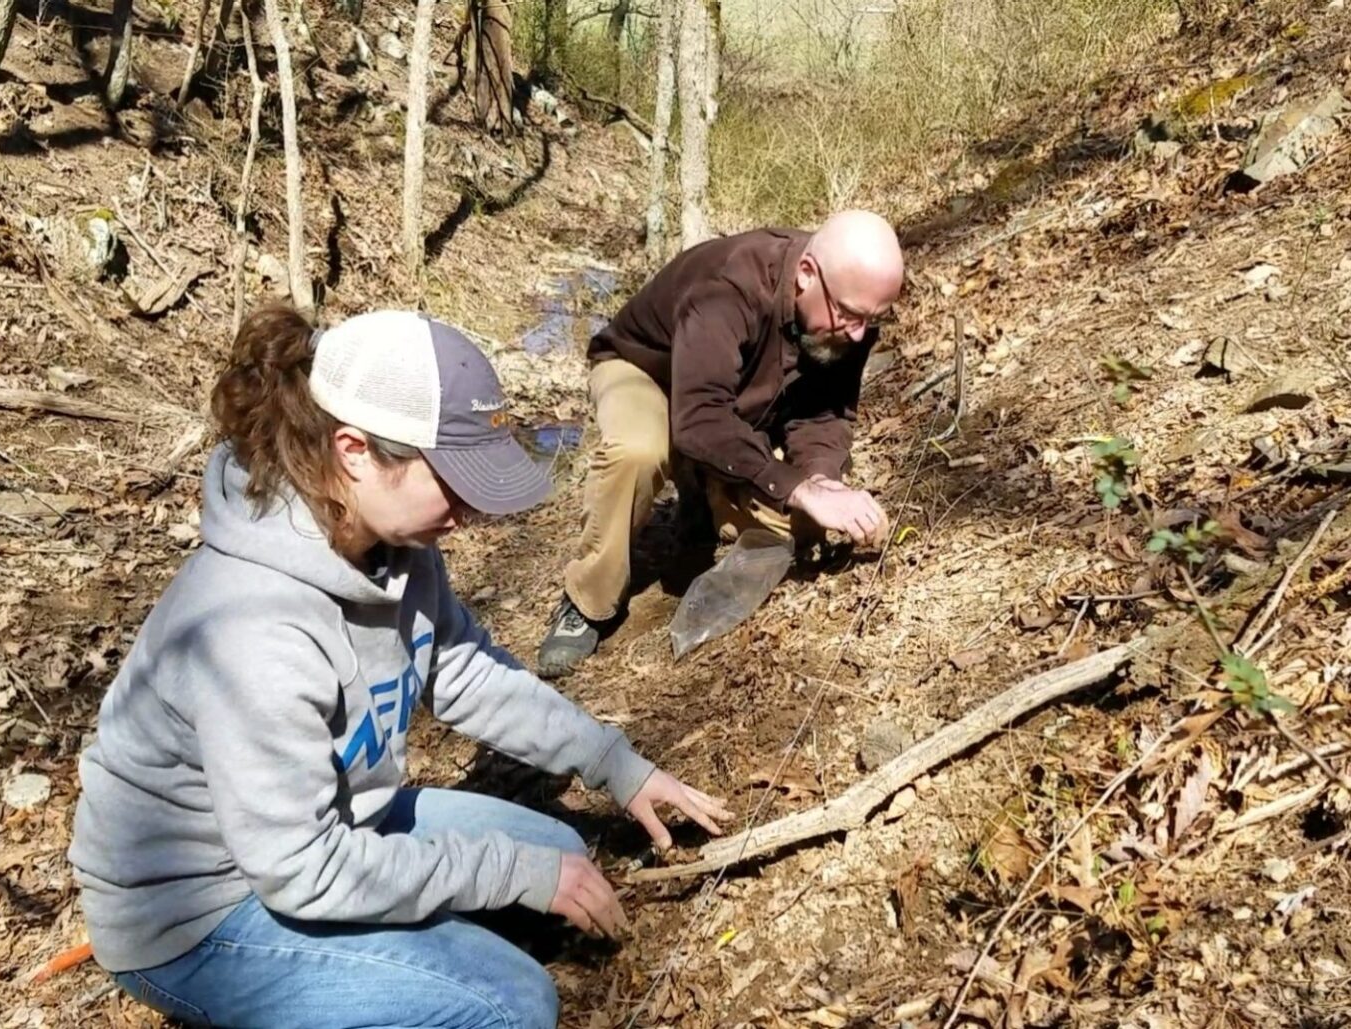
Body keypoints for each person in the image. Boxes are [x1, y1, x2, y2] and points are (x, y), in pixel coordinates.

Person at [68, 306, 731, 1029]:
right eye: (453, 479)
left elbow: (467, 673)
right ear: (354, 452)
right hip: (202, 912)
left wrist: (614, 763)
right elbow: (301, 868)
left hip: (340, 826)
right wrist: (514, 875)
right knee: (508, 1003)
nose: (471, 509)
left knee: (561, 849)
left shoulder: (395, 549)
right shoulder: (253, 626)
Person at [537, 209, 906, 677]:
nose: (858, 334)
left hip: (735, 393)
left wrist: (820, 478)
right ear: (807, 275)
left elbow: (824, 412)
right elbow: (698, 417)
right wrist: (796, 487)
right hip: (647, 373)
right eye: (851, 316)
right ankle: (587, 599)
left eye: (873, 321)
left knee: (807, 523)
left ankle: (703, 496)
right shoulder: (728, 287)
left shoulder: (849, 305)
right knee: (639, 450)